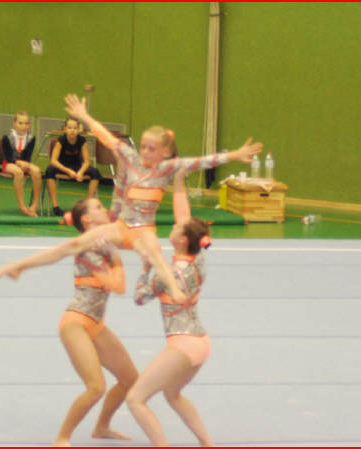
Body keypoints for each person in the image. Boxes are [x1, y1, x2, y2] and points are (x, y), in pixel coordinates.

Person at [61, 93, 263, 304]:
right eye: (143, 147)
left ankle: (173, 290)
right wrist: (84, 116)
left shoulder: (167, 168)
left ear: (164, 152)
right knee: (87, 243)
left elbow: (202, 161)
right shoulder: (132, 158)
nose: (145, 152)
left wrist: (234, 155)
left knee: (154, 256)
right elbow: (107, 138)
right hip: (121, 224)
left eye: (151, 149)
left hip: (143, 231)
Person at [0, 198, 138, 447]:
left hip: (96, 323)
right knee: (96, 386)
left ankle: (102, 426)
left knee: (130, 379)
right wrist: (117, 260)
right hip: (76, 323)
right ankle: (62, 438)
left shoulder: (104, 242)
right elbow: (118, 285)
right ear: (87, 219)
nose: (104, 209)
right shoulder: (88, 247)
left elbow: (127, 236)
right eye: (98, 207)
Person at [126, 168, 214, 446]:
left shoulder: (169, 275)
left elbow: (139, 298)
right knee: (172, 394)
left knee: (135, 399)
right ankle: (207, 443)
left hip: (182, 345)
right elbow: (184, 216)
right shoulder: (198, 260)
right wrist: (178, 181)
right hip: (201, 342)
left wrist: (145, 269)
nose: (173, 227)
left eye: (177, 229)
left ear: (182, 240)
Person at [45, 117, 102, 216]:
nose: (72, 130)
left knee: (95, 172)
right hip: (63, 167)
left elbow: (87, 162)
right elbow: (53, 161)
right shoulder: (61, 140)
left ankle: (87, 205)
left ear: (79, 130)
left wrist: (80, 172)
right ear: (65, 129)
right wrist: (68, 171)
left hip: (76, 167)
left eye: (75, 128)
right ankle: (55, 206)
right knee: (50, 170)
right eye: (70, 128)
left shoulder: (82, 141)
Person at [2, 111, 42, 217]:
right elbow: (8, 157)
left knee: (37, 171)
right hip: (10, 163)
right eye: (20, 123)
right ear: (14, 123)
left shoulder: (31, 138)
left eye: (26, 123)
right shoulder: (7, 137)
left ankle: (34, 205)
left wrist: (25, 164)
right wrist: (18, 162)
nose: (24, 126)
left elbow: (28, 156)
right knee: (18, 172)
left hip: (24, 162)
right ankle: (22, 206)